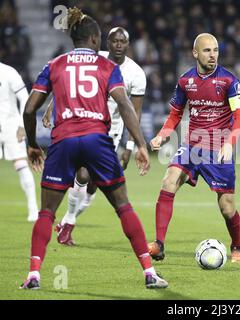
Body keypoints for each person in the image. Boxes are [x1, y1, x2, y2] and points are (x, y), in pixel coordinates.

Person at [20, 7, 167, 289]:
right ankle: (149, 273)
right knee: (123, 206)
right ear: (96, 41)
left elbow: (29, 109)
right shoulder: (108, 67)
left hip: (62, 141)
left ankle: (33, 276)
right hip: (97, 140)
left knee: (46, 213)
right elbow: (125, 105)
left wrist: (32, 144)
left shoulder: (54, 65)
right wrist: (139, 144)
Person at [42, 27, 146, 246]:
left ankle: (68, 222)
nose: (118, 45)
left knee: (92, 185)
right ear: (105, 42)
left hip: (112, 131)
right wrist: (52, 104)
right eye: (114, 41)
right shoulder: (95, 60)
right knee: (83, 174)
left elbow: (134, 111)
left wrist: (130, 145)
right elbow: (67, 82)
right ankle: (68, 223)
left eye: (122, 41)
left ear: (128, 44)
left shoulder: (136, 74)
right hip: (85, 124)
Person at [148, 33, 240, 263]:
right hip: (191, 146)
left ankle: (237, 246)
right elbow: (175, 114)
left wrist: (230, 143)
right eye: (207, 51)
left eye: (216, 50)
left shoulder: (229, 81)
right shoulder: (185, 81)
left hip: (218, 149)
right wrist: (161, 136)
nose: (213, 56)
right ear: (195, 53)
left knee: (227, 208)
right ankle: (159, 244)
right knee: (168, 180)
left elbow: (239, 117)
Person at [0, 62, 39, 222]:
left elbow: (25, 98)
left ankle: (33, 209)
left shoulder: (8, 71)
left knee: (21, 165)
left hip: (10, 125)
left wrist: (22, 125)